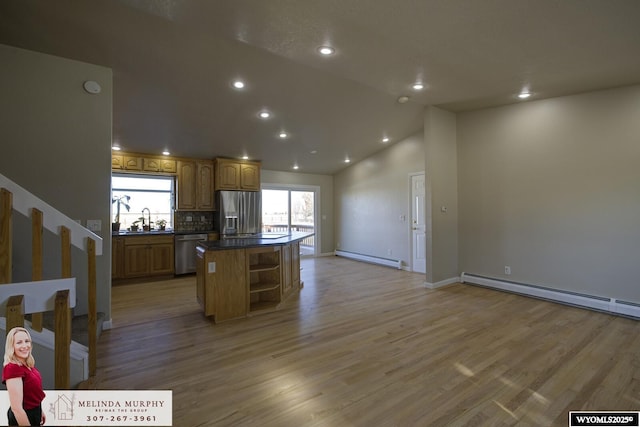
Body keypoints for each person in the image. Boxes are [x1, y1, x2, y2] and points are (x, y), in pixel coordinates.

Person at [3, 327, 45, 426]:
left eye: (27, 341)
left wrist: (40, 411)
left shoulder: (27, 365)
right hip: (23, 417)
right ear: (11, 346)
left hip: (34, 413)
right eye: (19, 342)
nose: (25, 346)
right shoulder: (12, 368)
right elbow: (16, 409)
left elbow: (32, 394)